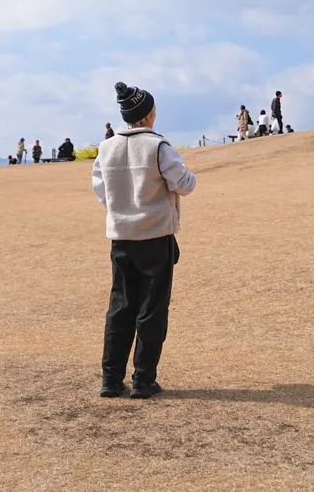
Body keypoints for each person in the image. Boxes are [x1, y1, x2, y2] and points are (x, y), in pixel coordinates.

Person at [94, 81, 196, 400]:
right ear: (150, 114)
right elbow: (184, 184)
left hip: (121, 237)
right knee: (152, 308)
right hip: (155, 236)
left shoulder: (106, 148)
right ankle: (144, 378)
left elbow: (101, 191)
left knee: (120, 306)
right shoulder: (158, 146)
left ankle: (111, 378)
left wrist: (121, 205)